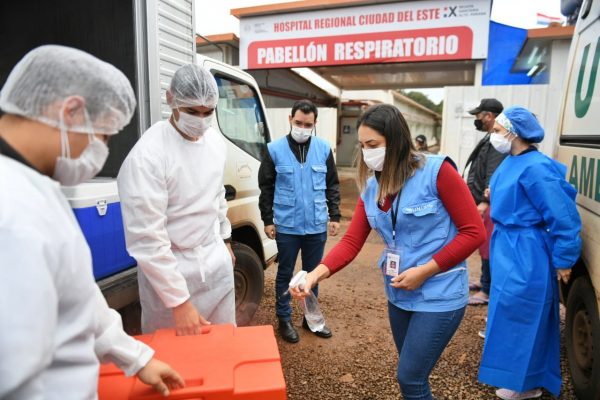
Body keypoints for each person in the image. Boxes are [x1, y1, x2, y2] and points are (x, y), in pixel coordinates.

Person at [0, 45, 184, 398]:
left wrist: (137, 358)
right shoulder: (12, 211)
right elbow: (14, 376)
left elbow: (77, 296)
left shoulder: (37, 185)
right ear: (71, 111)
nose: (100, 151)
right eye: (102, 136)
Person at [291, 104, 485, 399]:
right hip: (399, 293)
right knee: (412, 374)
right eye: (363, 145)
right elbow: (351, 241)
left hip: (439, 293)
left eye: (374, 145)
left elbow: (474, 231)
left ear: (396, 141)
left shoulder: (437, 172)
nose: (367, 153)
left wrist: (426, 270)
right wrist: (314, 276)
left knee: (410, 377)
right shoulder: (372, 187)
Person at [118, 64, 236, 335]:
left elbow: (217, 196)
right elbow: (147, 237)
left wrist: (225, 240)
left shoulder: (215, 144)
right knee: (175, 357)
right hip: (171, 272)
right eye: (192, 111)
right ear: (171, 99)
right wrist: (178, 301)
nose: (201, 120)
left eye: (208, 113)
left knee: (222, 345)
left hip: (214, 262)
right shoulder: (147, 156)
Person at [478, 106, 582, 400]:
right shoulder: (510, 161)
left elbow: (563, 216)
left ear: (515, 133)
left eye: (498, 130)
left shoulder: (537, 167)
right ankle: (515, 375)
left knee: (526, 311)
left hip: (527, 249)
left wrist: (563, 259)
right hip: (507, 246)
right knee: (507, 309)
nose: (493, 135)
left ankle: (529, 383)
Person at [258, 99, 341, 343]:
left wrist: (334, 215)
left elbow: (332, 185)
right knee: (285, 273)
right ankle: (284, 319)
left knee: (312, 275)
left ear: (315, 124)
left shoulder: (324, 149)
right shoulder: (274, 149)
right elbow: (266, 187)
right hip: (287, 225)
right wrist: (267, 219)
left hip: (316, 224)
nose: (303, 128)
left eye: (308, 124)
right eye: (298, 123)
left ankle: (311, 320)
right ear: (290, 120)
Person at [465, 98, 507, 306]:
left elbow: (493, 172)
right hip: (484, 201)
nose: (477, 120)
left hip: (489, 203)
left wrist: (484, 201)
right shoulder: (492, 137)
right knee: (484, 245)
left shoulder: (497, 140)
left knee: (488, 246)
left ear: (488, 116)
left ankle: (488, 289)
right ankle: (484, 282)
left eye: (478, 116)